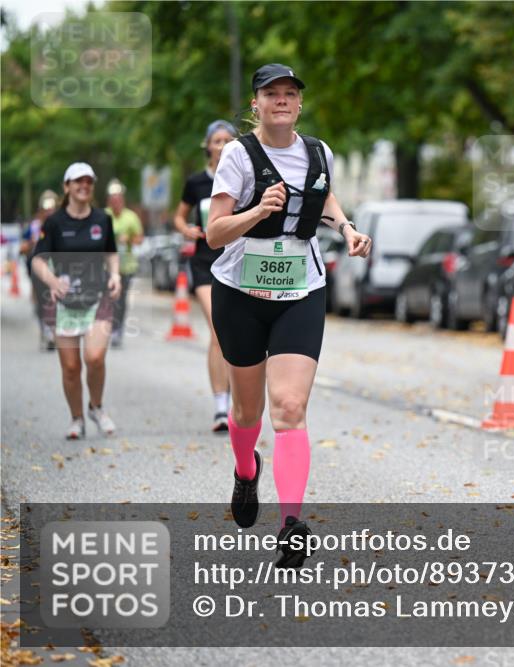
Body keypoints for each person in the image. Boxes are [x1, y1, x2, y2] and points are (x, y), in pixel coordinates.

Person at [206, 64, 371, 568]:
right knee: (247, 413)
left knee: (290, 406)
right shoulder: (238, 154)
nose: (282, 100)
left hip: (301, 287)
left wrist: (345, 227)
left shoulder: (319, 152)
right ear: (255, 103)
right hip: (241, 290)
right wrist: (258, 211)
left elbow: (323, 195)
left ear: (300, 103)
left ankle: (291, 525)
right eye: (271, 93)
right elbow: (214, 233)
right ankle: (244, 469)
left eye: (290, 94)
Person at [31, 163, 122, 439]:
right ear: (66, 186)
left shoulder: (102, 219)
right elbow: (38, 259)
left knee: (94, 357)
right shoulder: (55, 222)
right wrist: (52, 281)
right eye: (78, 181)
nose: (84, 186)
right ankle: (77, 418)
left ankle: (96, 406)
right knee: (71, 367)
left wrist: (115, 275)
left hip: (98, 299)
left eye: (88, 182)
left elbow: (111, 253)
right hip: (67, 303)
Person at [174, 120, 238, 432]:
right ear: (208, 146)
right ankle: (220, 407)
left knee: (236, 334)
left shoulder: (244, 177)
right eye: (217, 140)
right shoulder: (197, 182)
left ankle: (239, 402)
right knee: (219, 328)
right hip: (204, 262)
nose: (223, 145)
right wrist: (185, 228)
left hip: (237, 260)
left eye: (228, 140)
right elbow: (178, 215)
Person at [105, 179, 144, 348]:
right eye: (113, 199)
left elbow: (140, 239)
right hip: (106, 266)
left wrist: (128, 238)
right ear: (109, 200)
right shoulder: (103, 215)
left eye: (118, 199)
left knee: (120, 300)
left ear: (122, 199)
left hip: (126, 266)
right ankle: (108, 327)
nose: (116, 202)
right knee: (108, 299)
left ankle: (117, 329)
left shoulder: (131, 217)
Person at [21, 190, 59, 350]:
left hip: (56, 269)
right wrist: (31, 243)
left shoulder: (61, 225)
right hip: (37, 270)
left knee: (53, 300)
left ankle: (52, 330)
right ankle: (45, 328)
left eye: (52, 208)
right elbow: (22, 248)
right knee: (40, 301)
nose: (49, 212)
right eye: (46, 208)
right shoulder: (34, 226)